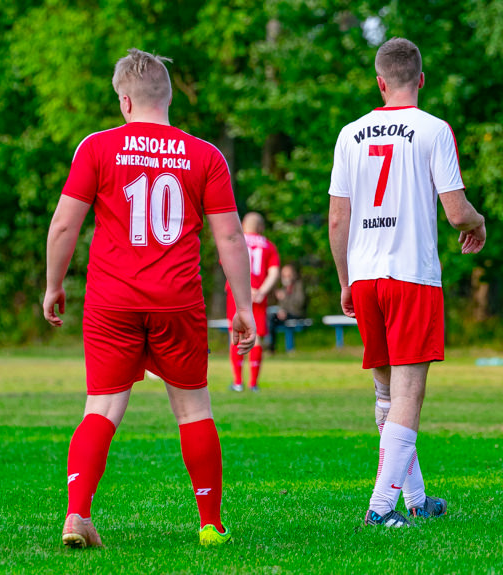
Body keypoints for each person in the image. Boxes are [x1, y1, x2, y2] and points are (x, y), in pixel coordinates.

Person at [43, 48, 255, 548]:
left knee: (102, 407)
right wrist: (243, 305)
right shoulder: (205, 155)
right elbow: (229, 238)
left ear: (124, 100)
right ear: (169, 96)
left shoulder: (96, 147)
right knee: (193, 409)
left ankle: (77, 514)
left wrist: (53, 284)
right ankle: (210, 524)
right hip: (177, 300)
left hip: (111, 300)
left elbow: (65, 223)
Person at [328, 37, 486, 527]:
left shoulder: (349, 133)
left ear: (379, 81)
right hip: (411, 275)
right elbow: (456, 212)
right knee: (410, 396)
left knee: (385, 394)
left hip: (367, 276)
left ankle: (415, 498)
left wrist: (346, 280)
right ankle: (380, 509)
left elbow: (338, 218)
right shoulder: (433, 129)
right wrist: (478, 223)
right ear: (420, 79)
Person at [225, 212, 279, 391]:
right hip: (258, 295)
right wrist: (261, 291)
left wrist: (243, 289)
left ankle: (238, 382)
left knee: (236, 333)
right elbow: (274, 272)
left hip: (236, 292)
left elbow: (228, 265)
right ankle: (253, 383)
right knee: (255, 337)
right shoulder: (268, 245)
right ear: (261, 227)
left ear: (243, 224)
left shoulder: (235, 241)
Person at [267, 263, 307, 352]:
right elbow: (282, 305)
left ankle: (271, 347)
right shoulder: (284, 287)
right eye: (284, 274)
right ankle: (270, 346)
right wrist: (282, 310)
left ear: (293, 274)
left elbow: (300, 303)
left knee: (273, 319)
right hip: (286, 314)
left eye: (288, 274)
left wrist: (285, 298)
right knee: (271, 318)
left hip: (297, 314)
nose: (286, 277)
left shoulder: (299, 286)